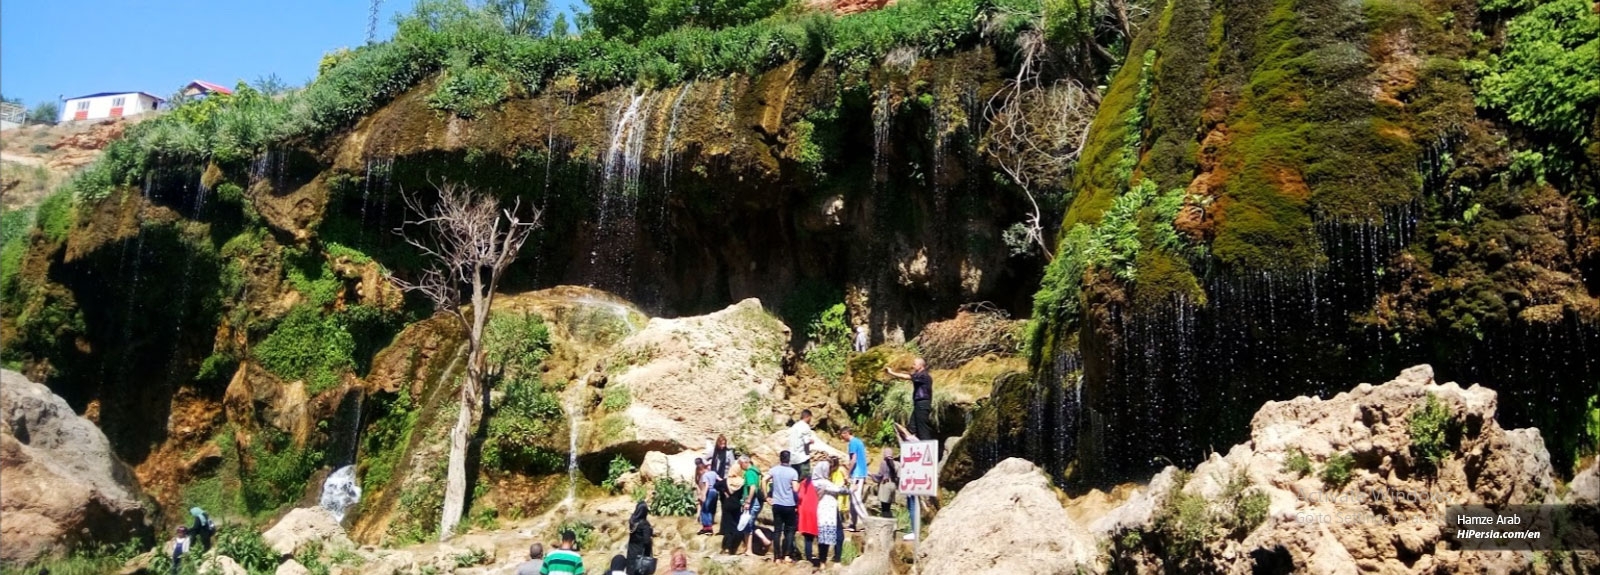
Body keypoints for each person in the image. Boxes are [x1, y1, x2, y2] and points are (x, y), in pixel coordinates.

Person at [811, 460, 851, 568]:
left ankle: (822, 562)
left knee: (823, 538)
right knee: (839, 535)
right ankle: (837, 561)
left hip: (821, 511)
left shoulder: (814, 482)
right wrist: (851, 489)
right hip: (830, 511)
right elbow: (840, 490)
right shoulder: (823, 482)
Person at [763, 451, 801, 564]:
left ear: (780, 458)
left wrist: (766, 497)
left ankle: (777, 557)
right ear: (789, 459)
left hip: (777, 504)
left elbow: (764, 480)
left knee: (777, 531)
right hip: (789, 504)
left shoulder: (774, 470)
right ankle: (787, 556)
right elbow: (795, 489)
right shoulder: (793, 472)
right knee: (789, 531)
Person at [886, 358, 935, 443]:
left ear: (920, 366)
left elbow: (906, 377)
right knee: (912, 427)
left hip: (923, 403)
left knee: (922, 428)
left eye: (915, 364)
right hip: (918, 404)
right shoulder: (920, 375)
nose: (913, 366)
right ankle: (913, 445)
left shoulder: (923, 375)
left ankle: (927, 447)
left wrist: (891, 373)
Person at [842, 427, 869, 531]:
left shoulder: (853, 443)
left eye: (842, 435)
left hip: (857, 474)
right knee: (852, 500)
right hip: (860, 473)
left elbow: (853, 460)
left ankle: (867, 522)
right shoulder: (859, 442)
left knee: (856, 498)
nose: (842, 438)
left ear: (846, 433)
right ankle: (853, 523)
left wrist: (847, 474)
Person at [719, 460, 746, 554]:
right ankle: (732, 547)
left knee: (727, 526)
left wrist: (725, 492)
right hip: (736, 505)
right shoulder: (742, 482)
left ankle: (726, 547)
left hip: (727, 505)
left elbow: (716, 485)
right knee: (735, 525)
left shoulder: (726, 481)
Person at [797, 463, 820, 565]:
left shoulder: (803, 483)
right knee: (820, 536)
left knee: (808, 538)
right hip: (817, 511)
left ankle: (808, 559)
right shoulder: (818, 483)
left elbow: (800, 497)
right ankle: (822, 557)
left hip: (806, 512)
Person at [872, 447, 900, 518]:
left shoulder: (883, 463)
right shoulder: (896, 464)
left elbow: (880, 475)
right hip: (893, 484)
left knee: (884, 507)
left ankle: (885, 522)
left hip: (885, 484)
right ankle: (890, 520)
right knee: (889, 506)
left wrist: (872, 475)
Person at [787, 410, 816, 479]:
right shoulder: (805, 427)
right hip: (802, 458)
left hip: (793, 458)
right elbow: (806, 441)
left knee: (795, 479)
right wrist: (811, 441)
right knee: (805, 480)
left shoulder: (794, 426)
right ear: (808, 417)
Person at [626, 500, 654, 571]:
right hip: (641, 554)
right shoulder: (644, 524)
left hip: (631, 552)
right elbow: (646, 541)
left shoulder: (632, 521)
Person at [696, 458, 720, 535]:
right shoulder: (713, 473)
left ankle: (707, 528)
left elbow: (706, 486)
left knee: (705, 509)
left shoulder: (705, 475)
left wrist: (703, 495)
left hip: (709, 492)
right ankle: (709, 526)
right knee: (710, 509)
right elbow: (720, 480)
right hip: (715, 492)